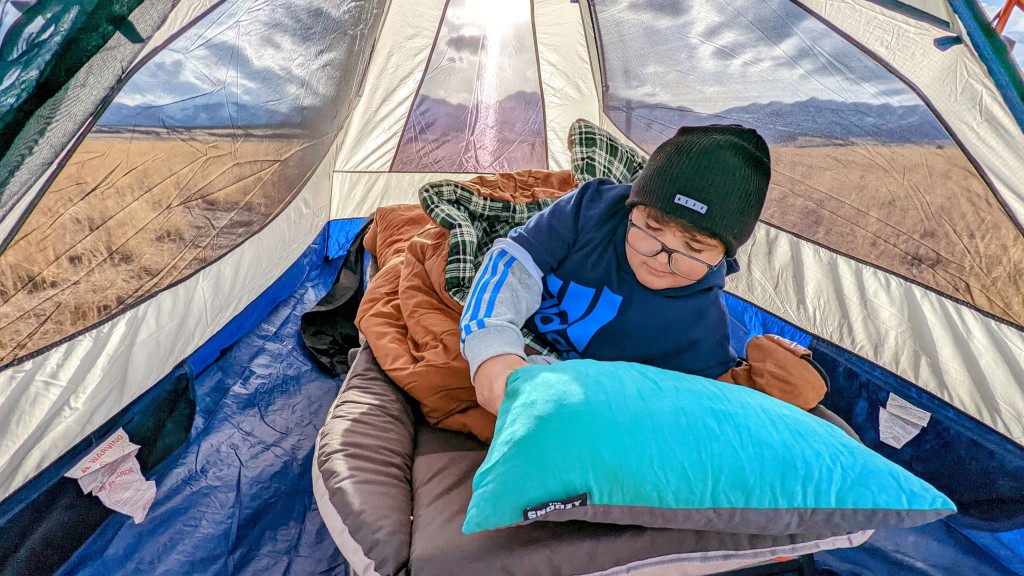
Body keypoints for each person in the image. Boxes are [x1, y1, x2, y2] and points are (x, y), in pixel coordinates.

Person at [460, 124, 776, 415]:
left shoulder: (701, 329)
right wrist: (493, 351)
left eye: (693, 249)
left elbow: (692, 407)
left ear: (722, 255)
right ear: (632, 206)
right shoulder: (590, 210)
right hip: (516, 331)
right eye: (652, 228)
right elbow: (512, 264)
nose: (660, 257)